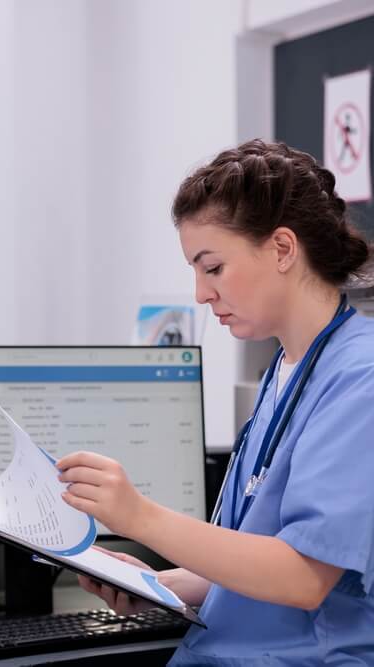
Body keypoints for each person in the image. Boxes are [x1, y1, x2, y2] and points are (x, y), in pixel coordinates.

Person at [57, 139, 374, 665]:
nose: (201, 294)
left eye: (213, 268)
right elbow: (259, 549)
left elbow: (304, 577)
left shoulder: (359, 378)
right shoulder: (285, 370)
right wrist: (161, 584)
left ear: (281, 249)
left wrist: (138, 516)